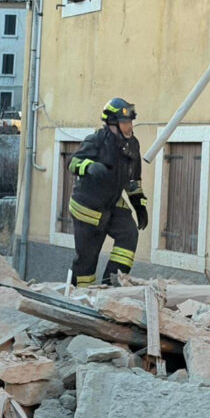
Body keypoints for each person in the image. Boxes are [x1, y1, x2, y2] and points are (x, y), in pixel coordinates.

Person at [66, 98, 148, 288]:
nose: (129, 127)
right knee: (87, 261)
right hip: (88, 207)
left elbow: (133, 180)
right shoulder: (96, 140)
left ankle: (110, 285)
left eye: (130, 122)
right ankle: (81, 295)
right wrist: (90, 166)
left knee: (129, 233)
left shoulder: (132, 145)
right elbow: (72, 162)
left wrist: (139, 205)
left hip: (112, 203)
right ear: (112, 124)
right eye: (125, 123)